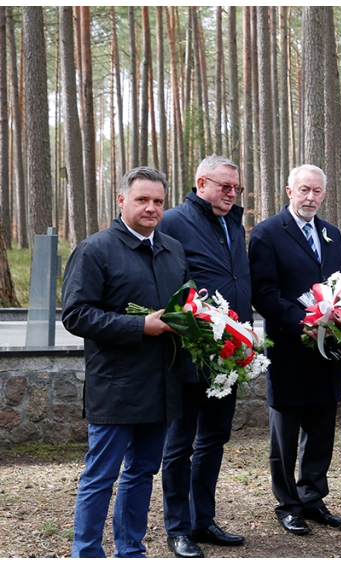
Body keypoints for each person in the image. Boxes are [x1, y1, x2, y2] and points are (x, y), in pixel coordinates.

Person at [62, 166, 190, 557]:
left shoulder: (172, 250)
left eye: (158, 202)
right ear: (121, 200)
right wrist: (140, 326)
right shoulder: (95, 250)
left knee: (142, 473)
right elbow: (75, 314)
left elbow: (185, 307)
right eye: (142, 199)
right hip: (115, 386)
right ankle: (86, 552)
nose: (151, 208)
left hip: (161, 384)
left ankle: (130, 550)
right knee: (101, 476)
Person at [249, 164, 341, 535]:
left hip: (329, 351)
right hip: (290, 347)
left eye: (317, 191)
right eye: (304, 190)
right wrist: (305, 323)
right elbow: (263, 293)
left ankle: (312, 498)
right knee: (286, 434)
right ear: (289, 191)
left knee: (322, 429)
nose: (311, 198)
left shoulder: (332, 233)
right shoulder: (267, 234)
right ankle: (288, 503)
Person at [157, 155, 249, 558]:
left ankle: (202, 520)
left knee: (215, 436)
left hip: (229, 351)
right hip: (191, 349)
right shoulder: (174, 221)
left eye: (236, 188)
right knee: (180, 443)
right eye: (224, 186)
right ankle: (178, 528)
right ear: (200, 183)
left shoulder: (233, 223)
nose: (231, 194)